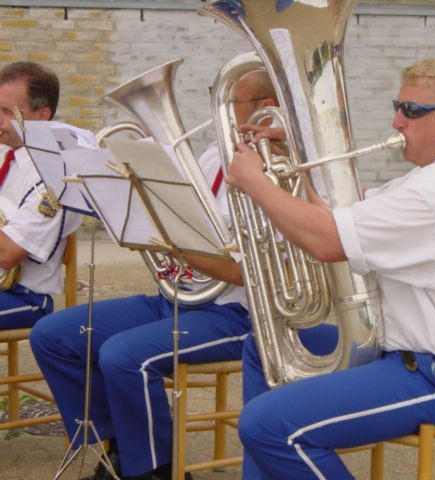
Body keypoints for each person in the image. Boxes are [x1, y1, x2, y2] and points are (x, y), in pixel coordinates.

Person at [226, 57, 435, 480]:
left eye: (413, 111)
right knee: (265, 346)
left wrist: (256, 182)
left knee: (269, 425)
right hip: (400, 352)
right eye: (398, 106)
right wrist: (294, 157)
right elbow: (339, 212)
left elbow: (327, 240)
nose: (397, 121)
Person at [30, 70, 278, 480]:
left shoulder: (280, 169)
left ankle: (154, 470)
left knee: (124, 356)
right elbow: (183, 217)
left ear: (266, 109)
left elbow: (241, 271)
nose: (218, 110)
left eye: (229, 102)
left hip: (239, 315)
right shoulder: (216, 155)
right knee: (54, 336)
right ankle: (123, 450)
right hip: (179, 298)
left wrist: (176, 242)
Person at [0, 61, 84, 330]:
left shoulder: (55, 174)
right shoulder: (4, 153)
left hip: (23, 297)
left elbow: (8, 253)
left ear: (42, 115)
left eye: (7, 111)